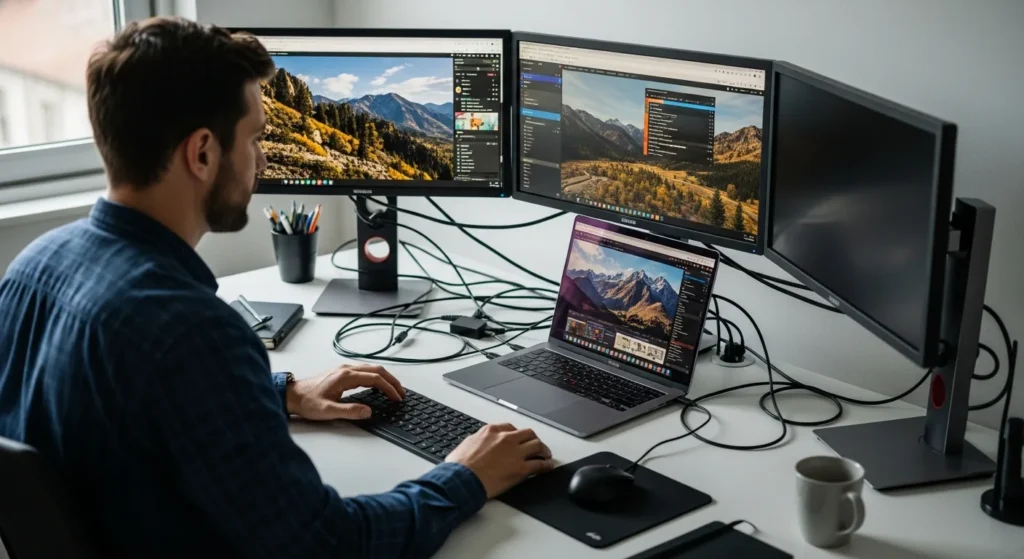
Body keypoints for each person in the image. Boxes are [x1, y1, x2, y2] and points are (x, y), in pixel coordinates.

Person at [0, 17, 554, 558]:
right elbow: (330, 543)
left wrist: (279, 392)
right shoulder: (193, 331)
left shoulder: (32, 266)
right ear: (202, 153)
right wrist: (466, 477)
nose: (262, 159)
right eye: (255, 138)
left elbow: (129, 413)